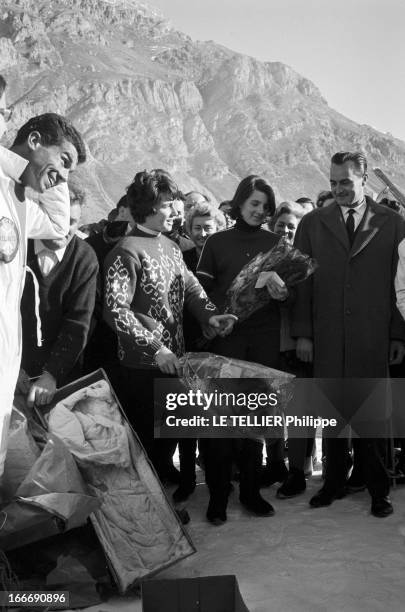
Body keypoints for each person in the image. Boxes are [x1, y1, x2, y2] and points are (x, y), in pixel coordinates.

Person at [103, 169, 237, 481]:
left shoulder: (171, 246)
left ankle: (164, 495)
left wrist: (210, 316)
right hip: (143, 365)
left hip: (174, 359)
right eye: (166, 205)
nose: (175, 211)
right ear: (147, 207)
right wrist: (155, 348)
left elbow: (191, 288)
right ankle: (154, 514)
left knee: (167, 439)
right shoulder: (125, 251)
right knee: (147, 443)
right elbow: (115, 311)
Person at [292, 151, 405, 517]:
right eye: (333, 182)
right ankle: (333, 482)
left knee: (373, 414)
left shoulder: (393, 223)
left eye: (346, 182)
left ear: (364, 178)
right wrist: (304, 335)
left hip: (373, 335)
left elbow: (399, 285)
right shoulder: (311, 224)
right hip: (326, 335)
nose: (338, 189)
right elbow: (301, 285)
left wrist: (397, 335)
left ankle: (378, 489)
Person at [197, 175, 288, 524]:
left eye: (265, 206)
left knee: (255, 418)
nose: (260, 211)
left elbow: (286, 292)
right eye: (254, 204)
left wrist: (283, 293)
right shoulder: (217, 242)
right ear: (240, 202)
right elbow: (200, 294)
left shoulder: (276, 242)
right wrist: (222, 311)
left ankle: (251, 491)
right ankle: (219, 494)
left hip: (263, 340)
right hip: (226, 339)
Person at [0, 112, 86, 477]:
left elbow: (55, 228)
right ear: (34, 141)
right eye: (63, 160)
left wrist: (56, 174)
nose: (65, 177)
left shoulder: (17, 197)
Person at [18, 187, 98, 407]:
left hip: (57, 379)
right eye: (58, 218)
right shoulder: (15, 245)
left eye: (73, 221)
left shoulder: (84, 258)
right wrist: (9, 365)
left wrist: (52, 373)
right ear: (40, 213)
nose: (66, 228)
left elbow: (78, 322)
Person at [172, 201, 226, 503]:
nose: (203, 233)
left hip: (220, 343)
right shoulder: (180, 257)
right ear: (189, 231)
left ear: (219, 228)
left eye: (209, 227)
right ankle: (187, 478)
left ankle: (218, 480)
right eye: (197, 228)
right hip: (188, 344)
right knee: (187, 417)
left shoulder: (225, 258)